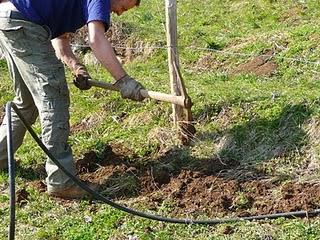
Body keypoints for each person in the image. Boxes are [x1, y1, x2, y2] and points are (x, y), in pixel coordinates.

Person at [0, 0, 145, 199]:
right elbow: (95, 39)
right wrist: (123, 80)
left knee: (27, 103)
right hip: (24, 24)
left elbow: (58, 39)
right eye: (124, 7)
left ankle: (0, 156)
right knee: (54, 100)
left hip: (10, 18)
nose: (120, 13)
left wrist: (76, 66)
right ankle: (62, 182)